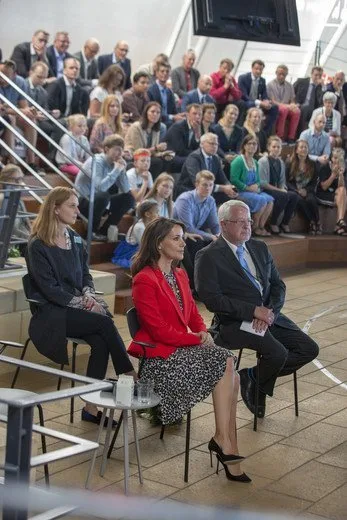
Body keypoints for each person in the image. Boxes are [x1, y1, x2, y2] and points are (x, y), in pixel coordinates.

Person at [128, 217, 249, 482]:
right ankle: (224, 441)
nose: (184, 242)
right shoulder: (144, 280)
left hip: (182, 352)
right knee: (226, 363)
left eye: (183, 236)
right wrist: (196, 339)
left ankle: (226, 442)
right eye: (176, 238)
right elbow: (158, 331)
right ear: (159, 244)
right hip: (161, 363)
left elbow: (193, 313)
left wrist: (202, 331)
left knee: (233, 374)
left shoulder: (180, 273)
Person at [195, 199, 319, 419]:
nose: (247, 226)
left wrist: (269, 313)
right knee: (277, 353)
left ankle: (253, 377)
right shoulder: (208, 255)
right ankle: (259, 383)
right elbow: (212, 300)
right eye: (240, 221)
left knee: (309, 349)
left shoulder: (259, 247)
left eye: (249, 221)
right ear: (223, 224)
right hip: (234, 322)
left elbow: (278, 285)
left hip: (270, 317)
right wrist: (253, 311)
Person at [25, 186, 135, 424]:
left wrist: (88, 294)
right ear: (55, 209)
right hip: (51, 313)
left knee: (100, 341)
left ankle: (91, 408)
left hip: (75, 308)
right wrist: (84, 304)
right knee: (104, 324)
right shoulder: (37, 245)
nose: (78, 211)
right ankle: (128, 374)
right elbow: (49, 290)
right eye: (72, 206)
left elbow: (85, 274)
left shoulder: (74, 238)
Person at [75, 134, 134, 239]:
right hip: (81, 201)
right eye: (117, 150)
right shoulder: (96, 161)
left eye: (121, 150)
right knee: (103, 196)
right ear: (106, 149)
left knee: (129, 199)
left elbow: (125, 189)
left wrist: (122, 169)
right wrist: (116, 170)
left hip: (99, 202)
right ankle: (91, 232)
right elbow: (100, 188)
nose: (120, 154)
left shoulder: (115, 163)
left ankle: (104, 230)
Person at [230, 134, 274, 236]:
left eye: (255, 144)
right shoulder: (238, 161)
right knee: (262, 200)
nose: (252, 146)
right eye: (250, 143)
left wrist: (256, 186)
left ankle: (261, 226)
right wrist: (248, 188)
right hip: (241, 191)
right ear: (244, 146)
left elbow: (258, 180)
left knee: (270, 200)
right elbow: (234, 179)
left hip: (253, 191)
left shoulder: (255, 162)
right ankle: (254, 228)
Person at [177, 133, 237, 205]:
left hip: (208, 188)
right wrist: (223, 188)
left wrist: (230, 187)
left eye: (216, 144)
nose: (214, 147)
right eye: (211, 143)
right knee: (206, 193)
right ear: (201, 144)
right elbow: (197, 182)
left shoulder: (215, 158)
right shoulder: (194, 158)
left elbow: (223, 179)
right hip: (190, 188)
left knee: (231, 198)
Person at [0, 60, 39, 171]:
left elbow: (24, 106)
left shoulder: (20, 82)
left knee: (30, 119)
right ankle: (14, 162)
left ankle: (31, 162)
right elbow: (3, 109)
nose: (1, 77)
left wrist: (31, 111)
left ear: (14, 75)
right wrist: (21, 111)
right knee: (11, 118)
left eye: (5, 75)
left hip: (12, 112)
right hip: (6, 114)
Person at [173, 170, 219, 263]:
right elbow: (188, 228)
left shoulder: (210, 200)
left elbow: (214, 224)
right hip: (179, 234)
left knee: (218, 243)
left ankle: (211, 273)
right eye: (205, 185)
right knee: (197, 241)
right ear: (197, 184)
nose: (208, 188)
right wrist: (211, 236)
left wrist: (218, 235)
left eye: (211, 185)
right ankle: (194, 273)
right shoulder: (185, 200)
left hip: (195, 232)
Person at [258, 136, 299, 234]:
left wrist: (281, 188)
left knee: (294, 196)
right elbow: (263, 183)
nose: (276, 149)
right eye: (274, 147)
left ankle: (284, 223)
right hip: (265, 189)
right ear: (269, 147)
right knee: (283, 195)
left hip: (276, 189)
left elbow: (282, 181)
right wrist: (280, 190)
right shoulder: (263, 161)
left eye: (278, 147)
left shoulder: (281, 162)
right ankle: (273, 223)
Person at [285, 139, 321, 235]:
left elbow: (314, 182)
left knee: (311, 200)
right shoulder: (289, 163)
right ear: (296, 150)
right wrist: (297, 190)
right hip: (295, 190)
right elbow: (287, 181)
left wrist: (306, 190)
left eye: (305, 147)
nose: (304, 149)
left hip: (308, 190)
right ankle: (313, 222)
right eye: (301, 147)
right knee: (299, 200)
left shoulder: (313, 164)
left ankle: (317, 221)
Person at [124, 101, 169, 179]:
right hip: (133, 157)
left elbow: (154, 152)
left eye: (158, 112)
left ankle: (157, 186)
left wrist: (163, 154)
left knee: (167, 160)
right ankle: (150, 187)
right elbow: (139, 152)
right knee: (157, 162)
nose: (155, 114)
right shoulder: (136, 127)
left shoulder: (157, 128)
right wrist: (156, 148)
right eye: (152, 112)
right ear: (146, 113)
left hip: (148, 156)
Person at [112, 199, 159, 268]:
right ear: (147, 214)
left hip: (141, 250)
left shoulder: (150, 224)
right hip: (131, 252)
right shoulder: (139, 227)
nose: (159, 215)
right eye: (156, 212)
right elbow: (144, 245)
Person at [238, 60, 279, 136]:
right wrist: (260, 103)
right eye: (256, 69)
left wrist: (266, 101)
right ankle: (242, 131)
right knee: (250, 104)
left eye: (260, 69)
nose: (258, 71)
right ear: (252, 68)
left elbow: (264, 95)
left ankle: (264, 132)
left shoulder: (262, 80)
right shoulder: (242, 78)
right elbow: (244, 95)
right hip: (246, 102)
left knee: (274, 108)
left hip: (258, 103)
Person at [316, 147, 347, 236]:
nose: (337, 160)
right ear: (331, 158)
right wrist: (333, 175)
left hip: (336, 194)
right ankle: (339, 225)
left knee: (342, 190)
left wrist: (340, 175)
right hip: (323, 193)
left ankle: (339, 222)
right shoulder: (325, 167)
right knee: (342, 196)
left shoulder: (344, 168)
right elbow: (324, 187)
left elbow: (341, 188)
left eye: (340, 158)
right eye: (335, 158)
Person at [267, 64, 300, 144]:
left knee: (297, 111)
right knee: (284, 110)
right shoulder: (269, 85)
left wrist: (293, 105)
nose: (282, 76)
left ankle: (291, 137)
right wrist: (287, 106)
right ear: (276, 73)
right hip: (276, 106)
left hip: (287, 107)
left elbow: (292, 100)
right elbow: (272, 101)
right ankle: (280, 136)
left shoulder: (290, 86)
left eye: (284, 74)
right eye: (280, 74)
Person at [165, 103, 202, 171]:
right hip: (171, 156)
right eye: (194, 113)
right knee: (197, 160)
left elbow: (196, 147)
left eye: (199, 114)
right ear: (187, 115)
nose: (197, 116)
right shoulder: (178, 127)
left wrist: (197, 134)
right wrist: (198, 154)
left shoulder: (198, 127)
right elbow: (180, 150)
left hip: (184, 155)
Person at [0, 164, 31, 244]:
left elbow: (27, 223)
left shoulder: (17, 197)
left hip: (24, 239)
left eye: (20, 179)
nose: (19, 183)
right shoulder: (2, 198)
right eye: (16, 179)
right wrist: (31, 239)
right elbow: (11, 229)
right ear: (5, 180)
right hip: (12, 243)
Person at [148, 61, 184, 126]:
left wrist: (179, 115)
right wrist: (172, 117)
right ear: (156, 73)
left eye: (167, 72)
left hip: (169, 122)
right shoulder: (150, 91)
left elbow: (174, 111)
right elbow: (152, 113)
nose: (165, 73)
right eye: (162, 71)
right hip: (156, 122)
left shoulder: (169, 92)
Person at [294, 66, 323, 134]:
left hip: (314, 108)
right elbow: (292, 92)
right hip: (300, 105)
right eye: (316, 75)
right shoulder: (301, 81)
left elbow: (322, 101)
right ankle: (299, 135)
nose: (318, 77)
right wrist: (294, 103)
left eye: (320, 75)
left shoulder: (320, 87)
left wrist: (322, 87)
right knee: (306, 108)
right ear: (311, 74)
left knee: (320, 113)